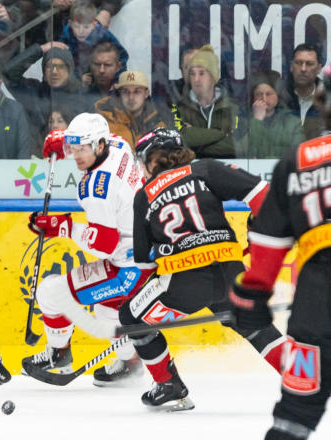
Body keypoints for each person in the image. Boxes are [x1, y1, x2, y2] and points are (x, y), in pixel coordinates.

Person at [116, 128, 288, 411]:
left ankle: (169, 386)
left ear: (154, 158)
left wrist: (136, 307)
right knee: (255, 328)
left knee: (131, 316)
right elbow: (263, 194)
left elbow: (145, 263)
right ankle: (305, 378)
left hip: (183, 285)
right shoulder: (205, 169)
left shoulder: (144, 195)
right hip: (231, 273)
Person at [230, 75, 331, 440]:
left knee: (296, 411)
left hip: (313, 310)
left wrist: (250, 300)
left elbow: (267, 248)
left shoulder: (297, 161)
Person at [23, 113, 152, 386]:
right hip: (144, 255)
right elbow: (100, 138)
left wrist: (63, 226)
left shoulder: (96, 189)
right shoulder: (119, 145)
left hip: (127, 269)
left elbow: (104, 245)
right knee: (108, 313)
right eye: (74, 148)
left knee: (50, 292)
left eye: (82, 149)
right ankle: (131, 362)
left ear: (99, 146)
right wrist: (64, 142)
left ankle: (58, 355)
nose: (76, 156)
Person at [3, 42, 82, 152]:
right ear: (44, 73)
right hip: (38, 158)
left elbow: (89, 137)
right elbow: (8, 74)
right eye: (49, 67)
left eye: (60, 67)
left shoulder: (82, 96)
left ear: (69, 71)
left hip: (73, 159)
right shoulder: (33, 93)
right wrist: (39, 50)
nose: (54, 71)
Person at [176, 44, 243, 158]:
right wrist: (222, 134)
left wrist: (196, 144)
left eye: (202, 73)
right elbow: (179, 141)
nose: (196, 79)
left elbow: (239, 145)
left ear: (213, 76)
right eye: (192, 73)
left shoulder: (233, 108)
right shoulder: (178, 107)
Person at [94, 70, 174, 147]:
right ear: (120, 94)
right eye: (126, 92)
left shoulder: (159, 123)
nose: (131, 97)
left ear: (146, 93)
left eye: (137, 91)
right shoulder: (103, 123)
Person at [60, 0, 128, 78]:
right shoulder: (66, 36)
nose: (81, 31)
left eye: (86, 27)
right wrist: (78, 79)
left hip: (100, 75)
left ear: (94, 24)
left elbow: (122, 55)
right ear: (70, 23)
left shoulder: (103, 35)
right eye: (77, 26)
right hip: (77, 77)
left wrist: (118, 79)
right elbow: (61, 61)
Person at [246, 70, 304, 159]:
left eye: (269, 94)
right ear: (253, 97)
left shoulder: (293, 122)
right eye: (259, 94)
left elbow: (298, 154)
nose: (264, 99)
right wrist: (257, 120)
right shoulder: (243, 121)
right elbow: (247, 153)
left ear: (278, 96)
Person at [278, 42, 324, 140]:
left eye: (309, 64)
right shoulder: (278, 96)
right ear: (291, 66)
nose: (303, 69)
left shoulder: (327, 100)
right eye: (298, 63)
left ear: (319, 69)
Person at [80, 41, 124, 107]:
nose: (101, 70)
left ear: (118, 67)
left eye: (107, 65)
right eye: (97, 64)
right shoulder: (82, 88)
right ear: (90, 65)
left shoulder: (126, 92)